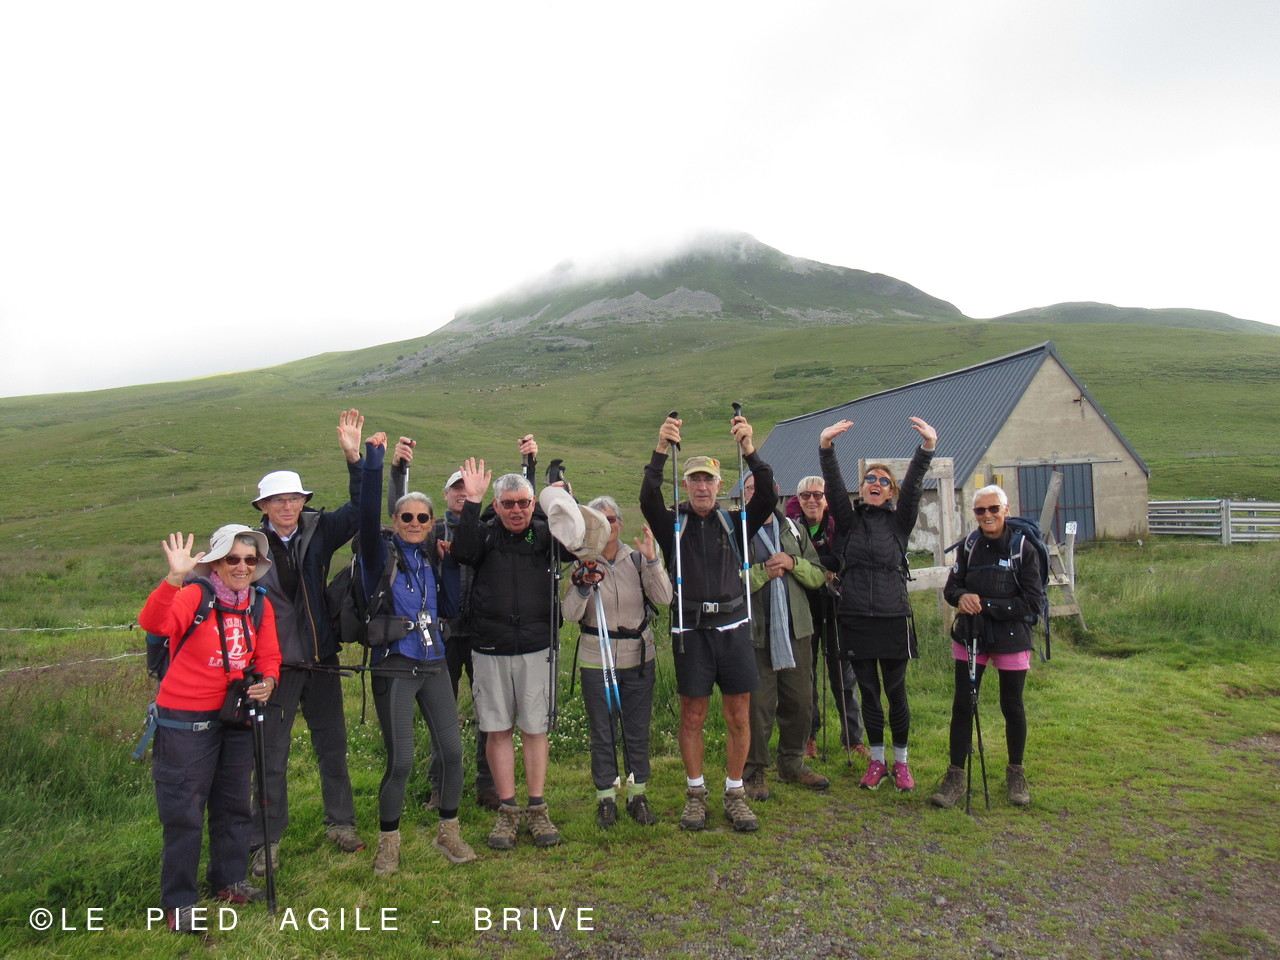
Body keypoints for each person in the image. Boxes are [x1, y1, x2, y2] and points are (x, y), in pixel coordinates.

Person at [138, 525, 282, 935]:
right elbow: (155, 623)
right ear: (216, 563)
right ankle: (180, 902)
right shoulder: (194, 595)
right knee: (184, 812)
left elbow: (269, 655)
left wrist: (268, 681)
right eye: (232, 559)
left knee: (234, 804)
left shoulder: (259, 603)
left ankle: (229, 879)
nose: (242, 567)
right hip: (184, 721)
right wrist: (174, 578)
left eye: (250, 560)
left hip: (234, 717)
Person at [640, 412, 777, 833]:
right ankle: (695, 794)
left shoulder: (735, 522)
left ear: (720, 486)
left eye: (709, 481)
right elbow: (647, 497)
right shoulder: (673, 523)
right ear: (685, 485)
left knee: (739, 716)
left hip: (734, 629)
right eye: (695, 480)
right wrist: (661, 449)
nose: (702, 487)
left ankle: (735, 793)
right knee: (693, 716)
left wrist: (749, 447)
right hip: (691, 632)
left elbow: (768, 494)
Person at [248, 410, 366, 878]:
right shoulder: (248, 546)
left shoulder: (319, 530)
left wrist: (354, 458)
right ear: (263, 506)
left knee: (332, 746)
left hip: (320, 658)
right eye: (278, 500)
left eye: (294, 498)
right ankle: (266, 842)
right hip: (273, 666)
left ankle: (341, 824)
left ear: (304, 500)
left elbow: (360, 508)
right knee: (270, 756)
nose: (288, 506)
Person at [359, 432, 476, 871]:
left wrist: (448, 564)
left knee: (453, 752)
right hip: (395, 666)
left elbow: (450, 607)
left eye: (422, 517)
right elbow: (367, 515)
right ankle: (388, 842)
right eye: (406, 516)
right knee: (402, 760)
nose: (413, 522)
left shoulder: (432, 559)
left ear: (431, 523)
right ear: (395, 519)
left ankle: (448, 832)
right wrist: (376, 462)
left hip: (434, 664)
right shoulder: (380, 558)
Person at [450, 441, 570, 850]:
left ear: (533, 504)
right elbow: (463, 552)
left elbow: (576, 547)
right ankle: (507, 809)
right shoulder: (483, 534)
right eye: (508, 504)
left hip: (537, 646)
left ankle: (537, 808)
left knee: (535, 729)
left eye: (523, 503)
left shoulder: (544, 535)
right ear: (496, 506)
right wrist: (473, 502)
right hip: (490, 647)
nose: (516, 511)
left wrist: (563, 503)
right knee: (497, 729)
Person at [819, 416, 937, 792]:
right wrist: (826, 446)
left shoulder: (900, 523)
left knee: (895, 692)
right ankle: (876, 761)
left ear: (890, 492)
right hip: (855, 618)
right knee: (868, 692)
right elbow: (833, 486)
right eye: (870, 478)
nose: (876, 483)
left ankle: (901, 763)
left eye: (884, 481)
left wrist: (926, 449)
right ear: (862, 488)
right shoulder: (849, 522)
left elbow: (914, 487)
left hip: (892, 617)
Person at [563, 497, 672, 827]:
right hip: (597, 657)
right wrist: (583, 587)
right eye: (597, 519)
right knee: (603, 731)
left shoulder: (637, 559)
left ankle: (637, 795)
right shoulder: (583, 563)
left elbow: (664, 598)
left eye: (610, 519)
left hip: (638, 657)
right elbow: (570, 614)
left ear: (621, 524)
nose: (605, 525)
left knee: (637, 730)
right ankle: (606, 798)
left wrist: (653, 561)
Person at [934, 484, 1045, 808]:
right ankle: (955, 776)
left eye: (993, 508)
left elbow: (1033, 602)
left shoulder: (1023, 548)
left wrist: (985, 605)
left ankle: (1016, 774)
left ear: (1006, 510)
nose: (987, 515)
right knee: (963, 705)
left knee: (1012, 705)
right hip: (971, 634)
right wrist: (962, 597)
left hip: (1012, 635)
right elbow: (951, 588)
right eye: (980, 510)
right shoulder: (969, 546)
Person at [742, 473, 829, 800]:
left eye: (762, 488)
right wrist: (763, 573)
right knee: (758, 707)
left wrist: (793, 562)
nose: (757, 493)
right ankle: (753, 770)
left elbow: (818, 576)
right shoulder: (738, 531)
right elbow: (728, 580)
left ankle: (792, 762)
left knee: (800, 702)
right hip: (756, 632)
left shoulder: (793, 529)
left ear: (776, 492)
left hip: (797, 629)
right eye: (750, 489)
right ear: (744, 494)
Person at [785, 476, 867, 762]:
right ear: (798, 499)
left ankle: (853, 738)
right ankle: (808, 736)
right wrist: (821, 568)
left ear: (826, 499)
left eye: (818, 495)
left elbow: (841, 559)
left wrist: (806, 567)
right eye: (806, 495)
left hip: (835, 604)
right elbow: (791, 558)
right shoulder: (791, 527)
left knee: (843, 674)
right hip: (803, 606)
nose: (812, 500)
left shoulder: (838, 525)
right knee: (805, 675)